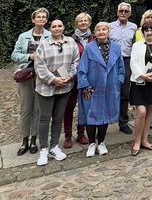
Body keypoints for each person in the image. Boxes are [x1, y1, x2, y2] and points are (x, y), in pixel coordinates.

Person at [34, 19, 80, 166]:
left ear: (63, 27)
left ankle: (54, 146)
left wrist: (68, 77)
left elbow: (76, 61)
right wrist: (53, 79)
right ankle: (44, 149)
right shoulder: (43, 44)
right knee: (44, 118)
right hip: (46, 87)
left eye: (60, 25)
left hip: (65, 86)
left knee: (58, 117)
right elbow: (39, 66)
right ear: (50, 28)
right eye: (54, 26)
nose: (57, 28)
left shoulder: (71, 42)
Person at [77, 22, 124, 157]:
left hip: (110, 87)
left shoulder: (116, 48)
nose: (101, 32)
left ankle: (101, 142)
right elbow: (82, 69)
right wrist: (85, 85)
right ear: (95, 33)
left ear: (108, 32)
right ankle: (92, 143)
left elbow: (121, 68)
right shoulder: (89, 48)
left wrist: (118, 81)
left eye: (104, 29)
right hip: (92, 88)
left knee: (106, 115)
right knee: (91, 115)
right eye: (99, 30)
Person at [11, 8, 51, 156]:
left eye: (43, 17)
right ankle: (24, 140)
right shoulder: (23, 36)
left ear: (46, 20)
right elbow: (14, 55)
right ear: (33, 20)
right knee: (25, 109)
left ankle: (34, 139)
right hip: (26, 75)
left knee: (38, 109)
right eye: (38, 17)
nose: (40, 19)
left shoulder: (50, 36)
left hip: (42, 77)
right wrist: (29, 57)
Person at [129, 22, 152, 156]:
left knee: (149, 112)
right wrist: (142, 75)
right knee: (141, 112)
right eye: (146, 30)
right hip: (139, 83)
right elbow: (133, 62)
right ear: (142, 32)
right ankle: (136, 142)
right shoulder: (136, 45)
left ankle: (145, 140)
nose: (149, 33)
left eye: (151, 30)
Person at [63, 12, 92, 149]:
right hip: (73, 78)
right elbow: (64, 58)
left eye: (85, 20)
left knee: (84, 106)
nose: (83, 22)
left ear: (89, 23)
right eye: (80, 21)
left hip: (88, 78)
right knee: (69, 106)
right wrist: (64, 75)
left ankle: (81, 133)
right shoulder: (69, 39)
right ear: (76, 23)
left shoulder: (95, 38)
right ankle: (68, 135)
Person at [109, 2, 138, 134]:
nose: (123, 13)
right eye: (121, 10)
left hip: (126, 60)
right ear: (117, 12)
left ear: (130, 14)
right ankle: (107, 119)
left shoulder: (134, 27)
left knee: (125, 93)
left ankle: (123, 122)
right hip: (111, 61)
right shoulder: (109, 27)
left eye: (126, 11)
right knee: (109, 90)